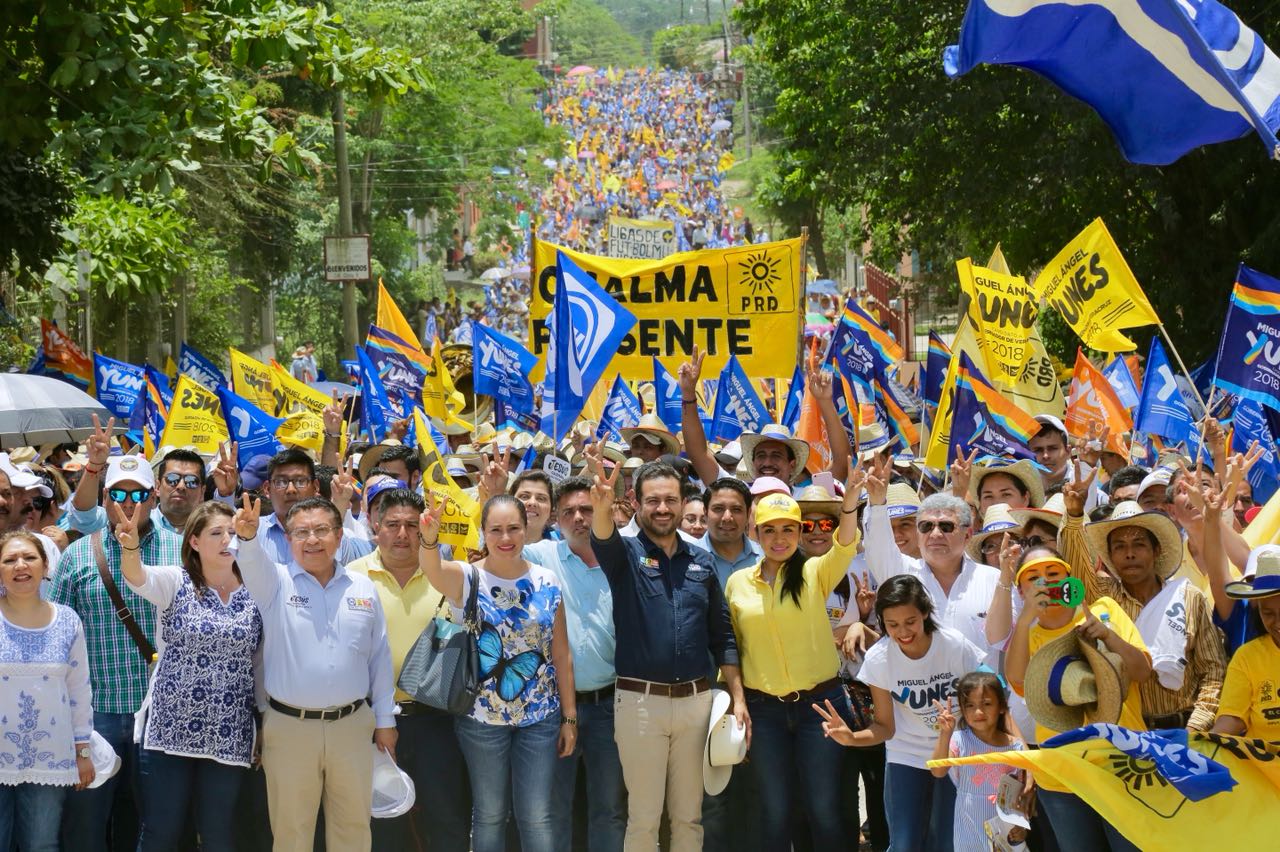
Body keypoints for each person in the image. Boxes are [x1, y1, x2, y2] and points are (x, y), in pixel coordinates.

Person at [586, 454, 745, 852]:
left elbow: (722, 635)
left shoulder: (702, 562)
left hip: (697, 703)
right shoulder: (623, 555)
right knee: (643, 818)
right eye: (653, 500)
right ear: (637, 504)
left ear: (682, 502)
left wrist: (737, 699)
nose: (662, 508)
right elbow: (602, 538)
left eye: (670, 500)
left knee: (689, 818)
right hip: (640, 704)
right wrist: (603, 507)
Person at [233, 494, 397, 852]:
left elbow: (379, 659)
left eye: (321, 530)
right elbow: (251, 562)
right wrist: (247, 538)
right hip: (290, 728)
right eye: (301, 532)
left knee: (353, 829)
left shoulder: (364, 589)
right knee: (291, 832)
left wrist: (386, 721)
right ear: (288, 539)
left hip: (352, 726)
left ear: (340, 537)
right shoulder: (274, 583)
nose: (312, 540)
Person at [417, 493, 575, 852]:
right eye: (496, 530)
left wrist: (569, 717)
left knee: (536, 815)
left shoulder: (548, 580)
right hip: (480, 720)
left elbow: (561, 652)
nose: (506, 538)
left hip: (541, 717)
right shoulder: (468, 577)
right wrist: (429, 537)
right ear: (483, 533)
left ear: (527, 529)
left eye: (514, 529)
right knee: (489, 814)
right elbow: (432, 570)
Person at [723, 468, 863, 851]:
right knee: (774, 811)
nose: (779, 538)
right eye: (769, 530)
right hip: (763, 712)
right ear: (755, 533)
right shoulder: (737, 583)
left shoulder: (815, 571)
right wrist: (737, 699)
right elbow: (730, 645)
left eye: (788, 529)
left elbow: (845, 545)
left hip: (820, 707)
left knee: (824, 809)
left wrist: (848, 504)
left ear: (800, 534)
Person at [113, 500, 262, 852]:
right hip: (169, 730)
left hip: (230, 731)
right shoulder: (174, 580)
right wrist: (130, 546)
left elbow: (261, 664)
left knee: (218, 834)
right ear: (194, 541)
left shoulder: (258, 589)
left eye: (232, 532)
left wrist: (265, 724)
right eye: (216, 533)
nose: (228, 540)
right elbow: (136, 577)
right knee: (161, 832)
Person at [52, 454, 184, 852]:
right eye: (120, 493)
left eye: (139, 493)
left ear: (154, 496)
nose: (129, 502)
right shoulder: (77, 556)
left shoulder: (180, 551)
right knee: (87, 825)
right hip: (96, 714)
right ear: (106, 497)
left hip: (160, 711)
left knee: (156, 827)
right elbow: (58, 636)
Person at [814, 575, 984, 852]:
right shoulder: (880, 658)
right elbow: (885, 727)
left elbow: (988, 690)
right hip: (906, 755)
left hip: (956, 752)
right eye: (892, 625)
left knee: (947, 843)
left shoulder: (953, 644)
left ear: (925, 613)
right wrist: (851, 738)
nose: (903, 632)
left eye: (910, 622)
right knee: (904, 844)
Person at [345, 488, 471, 852]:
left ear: (426, 529)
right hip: (371, 721)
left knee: (445, 816)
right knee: (383, 821)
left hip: (438, 721)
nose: (402, 534)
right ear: (375, 526)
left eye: (412, 526)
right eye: (393, 524)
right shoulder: (351, 577)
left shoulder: (448, 576)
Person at [1002, 544, 1151, 851]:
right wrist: (1025, 617)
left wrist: (1109, 636)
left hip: (1123, 766)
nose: (1045, 582)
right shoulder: (1027, 638)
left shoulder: (1105, 610)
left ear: (1070, 579)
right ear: (1021, 590)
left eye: (1053, 573)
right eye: (1033, 578)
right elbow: (1017, 681)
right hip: (1062, 776)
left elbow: (1143, 671)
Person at [524, 477, 627, 852]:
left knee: (610, 808)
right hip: (553, 709)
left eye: (587, 509)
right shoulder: (541, 556)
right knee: (553, 809)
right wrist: (493, 491)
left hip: (612, 707)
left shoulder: (626, 557)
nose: (579, 518)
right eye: (569, 512)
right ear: (556, 519)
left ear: (604, 509)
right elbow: (499, 541)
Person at [0, 530, 95, 850]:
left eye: (29, 557)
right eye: (9, 559)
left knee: (41, 845)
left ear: (45, 566)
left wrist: (83, 752)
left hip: (50, 760)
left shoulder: (67, 621)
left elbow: (79, 690)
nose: (20, 565)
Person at [862, 457, 1000, 665]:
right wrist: (878, 503)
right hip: (921, 695)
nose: (935, 534)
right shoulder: (903, 574)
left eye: (946, 527)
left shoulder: (994, 579)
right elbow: (878, 549)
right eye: (926, 527)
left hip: (981, 694)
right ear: (918, 535)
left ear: (968, 534)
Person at [928, 671, 1028, 851]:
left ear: (1002, 707)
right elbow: (938, 771)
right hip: (968, 828)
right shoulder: (959, 740)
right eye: (970, 705)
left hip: (1004, 830)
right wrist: (945, 733)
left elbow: (1019, 795)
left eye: (987, 704)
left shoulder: (1016, 747)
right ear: (962, 709)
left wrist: (1022, 825)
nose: (978, 712)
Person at [255, 448, 372, 565]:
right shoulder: (253, 532)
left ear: (316, 487)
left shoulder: (342, 534)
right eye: (281, 482)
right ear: (267, 489)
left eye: (300, 481)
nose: (291, 490)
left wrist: (340, 504)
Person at [69, 443, 210, 536]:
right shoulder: (127, 517)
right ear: (158, 487)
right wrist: (94, 465)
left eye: (191, 481)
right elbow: (83, 518)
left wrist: (225, 494)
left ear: (203, 491)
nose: (181, 486)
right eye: (172, 479)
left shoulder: (213, 528)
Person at [1211, 551, 1280, 738]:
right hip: (1262, 766)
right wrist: (1204, 746)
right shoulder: (1246, 658)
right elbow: (1233, 718)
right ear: (1258, 611)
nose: (1278, 623)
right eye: (1269, 614)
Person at [697, 478, 762, 589]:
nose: (727, 517)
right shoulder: (687, 558)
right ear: (705, 513)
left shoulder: (764, 558)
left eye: (736, 509)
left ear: (748, 514)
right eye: (718, 509)